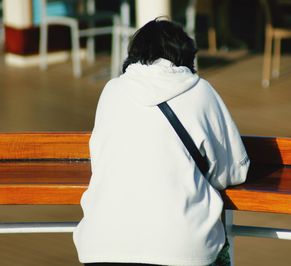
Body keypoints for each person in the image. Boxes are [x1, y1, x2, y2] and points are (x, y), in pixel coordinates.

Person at [73, 18, 250, 266]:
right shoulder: (200, 92)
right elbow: (233, 171)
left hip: (102, 246)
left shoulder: (112, 91)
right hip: (182, 250)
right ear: (187, 56)